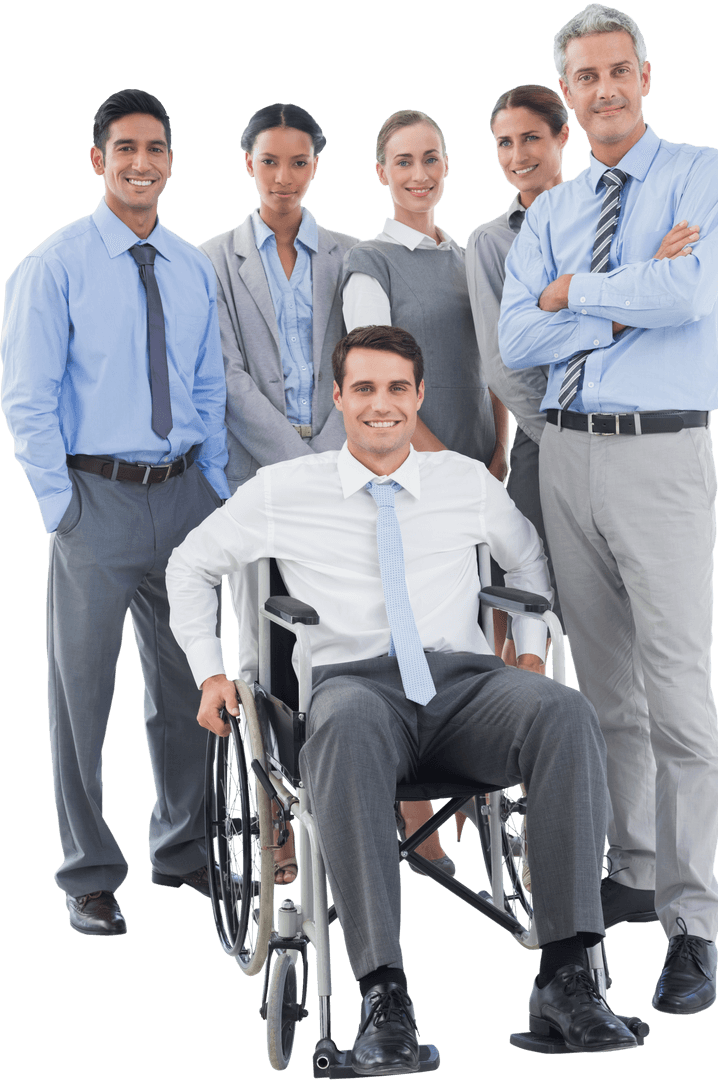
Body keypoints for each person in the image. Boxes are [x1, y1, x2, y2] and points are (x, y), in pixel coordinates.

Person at [167, 324, 644, 1067]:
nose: (381, 405)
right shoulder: (287, 489)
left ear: (418, 396)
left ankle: (568, 976)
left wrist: (526, 647)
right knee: (349, 725)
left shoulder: (463, 482)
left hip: (462, 687)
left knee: (563, 712)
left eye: (396, 389)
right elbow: (190, 565)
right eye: (364, 389)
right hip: (354, 689)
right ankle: (384, 996)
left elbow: (528, 566)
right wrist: (209, 669)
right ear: (339, 399)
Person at [499, 3, 718, 1016]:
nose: (602, 90)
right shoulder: (554, 205)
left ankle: (693, 922)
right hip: (567, 460)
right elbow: (517, 336)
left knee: (680, 695)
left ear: (645, 75)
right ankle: (636, 866)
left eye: (616, 72)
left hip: (661, 456)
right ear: (571, 94)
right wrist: (599, 293)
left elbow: (688, 298)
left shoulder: (704, 175)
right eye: (584, 79)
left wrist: (572, 296)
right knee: (605, 697)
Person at [0, 89, 230, 936]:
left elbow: (206, 384)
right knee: (81, 694)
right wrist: (60, 508)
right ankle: (89, 874)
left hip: (183, 498)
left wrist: (212, 487)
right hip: (93, 500)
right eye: (125, 148)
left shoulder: (189, 264)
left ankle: (184, 847)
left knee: (189, 687)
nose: (143, 162)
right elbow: (25, 399)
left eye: (157, 149)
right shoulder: (54, 264)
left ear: (171, 161)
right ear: (99, 160)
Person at [343, 109, 510, 870]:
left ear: (449, 166)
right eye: (404, 161)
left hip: (481, 472)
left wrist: (498, 450)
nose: (420, 174)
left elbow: (498, 363)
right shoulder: (369, 265)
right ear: (382, 171)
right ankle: (420, 821)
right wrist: (448, 466)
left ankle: (489, 783)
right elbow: (380, 391)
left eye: (433, 159)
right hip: (412, 478)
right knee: (418, 634)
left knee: (491, 632)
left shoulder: (470, 254)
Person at [199, 102, 358, 883]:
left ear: (315, 166)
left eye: (299, 162)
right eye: (271, 162)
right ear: (249, 165)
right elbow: (225, 379)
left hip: (344, 479)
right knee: (268, 653)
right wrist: (298, 461)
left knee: (343, 636)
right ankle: (278, 827)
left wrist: (333, 455)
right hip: (260, 484)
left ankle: (348, 800)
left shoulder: (351, 256)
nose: (284, 177)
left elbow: (360, 364)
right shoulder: (212, 261)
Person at [466, 85, 570, 665]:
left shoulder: (603, 220)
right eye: (504, 143)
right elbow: (500, 363)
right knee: (531, 607)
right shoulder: (492, 242)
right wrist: (564, 433)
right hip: (543, 441)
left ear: (562, 135)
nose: (516, 155)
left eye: (530, 137)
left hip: (616, 438)